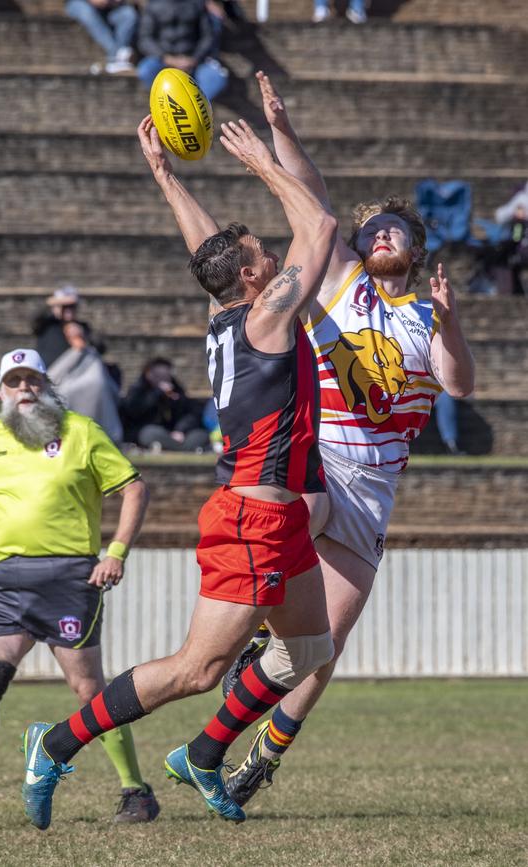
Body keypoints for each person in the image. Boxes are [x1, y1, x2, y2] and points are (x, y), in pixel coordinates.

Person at [18, 113, 338, 829]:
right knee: (198, 670)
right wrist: (260, 160)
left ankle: (202, 755)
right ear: (257, 278)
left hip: (278, 518)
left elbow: (208, 255)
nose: (274, 255)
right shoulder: (264, 320)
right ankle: (57, 743)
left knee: (310, 649)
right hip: (251, 519)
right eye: (264, 253)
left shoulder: (229, 313)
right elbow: (319, 225)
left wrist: (167, 177)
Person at [223, 72, 476, 807]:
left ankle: (255, 765)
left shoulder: (428, 319)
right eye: (370, 233)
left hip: (374, 492)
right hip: (321, 457)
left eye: (392, 230)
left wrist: (452, 322)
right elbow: (314, 204)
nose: (380, 235)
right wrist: (283, 131)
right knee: (286, 524)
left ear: (416, 248)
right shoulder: (342, 286)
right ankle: (241, 645)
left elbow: (458, 386)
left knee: (320, 651)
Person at [0, 348, 159, 827]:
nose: (24, 390)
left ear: (47, 386)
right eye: (14, 382)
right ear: (0, 391)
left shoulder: (81, 432)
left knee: (88, 692)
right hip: (2, 582)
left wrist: (116, 552)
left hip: (68, 579)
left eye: (33, 380)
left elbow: (134, 488)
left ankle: (135, 792)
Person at [136, 0, 229, 102]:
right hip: (163, 59)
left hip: (194, 59)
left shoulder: (197, 4)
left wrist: (194, 59)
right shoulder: (153, 5)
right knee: (146, 70)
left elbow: (208, 37)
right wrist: (167, 58)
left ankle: (194, 108)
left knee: (216, 78)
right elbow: (145, 39)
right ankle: (169, 104)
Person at [49, 322, 124, 444]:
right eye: (71, 335)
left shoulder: (92, 356)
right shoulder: (62, 353)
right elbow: (51, 379)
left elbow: (109, 388)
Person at [121, 356, 209, 452]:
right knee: (149, 433)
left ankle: (178, 451)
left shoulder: (176, 390)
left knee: (200, 435)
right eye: (158, 375)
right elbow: (134, 411)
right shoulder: (138, 389)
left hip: (178, 435)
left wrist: (180, 430)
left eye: (166, 375)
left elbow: (192, 413)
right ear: (148, 374)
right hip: (151, 433)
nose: (164, 379)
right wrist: (157, 394)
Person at [65, 0, 137, 75]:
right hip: (80, 3)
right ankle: (116, 55)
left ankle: (117, 59)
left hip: (109, 9)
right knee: (87, 13)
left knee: (128, 14)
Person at [32, 285, 93, 368]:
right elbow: (35, 320)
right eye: (64, 307)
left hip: (74, 376)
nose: (68, 310)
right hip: (49, 374)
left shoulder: (82, 327)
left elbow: (100, 347)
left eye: (71, 306)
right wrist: (51, 305)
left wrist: (83, 335)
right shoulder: (47, 324)